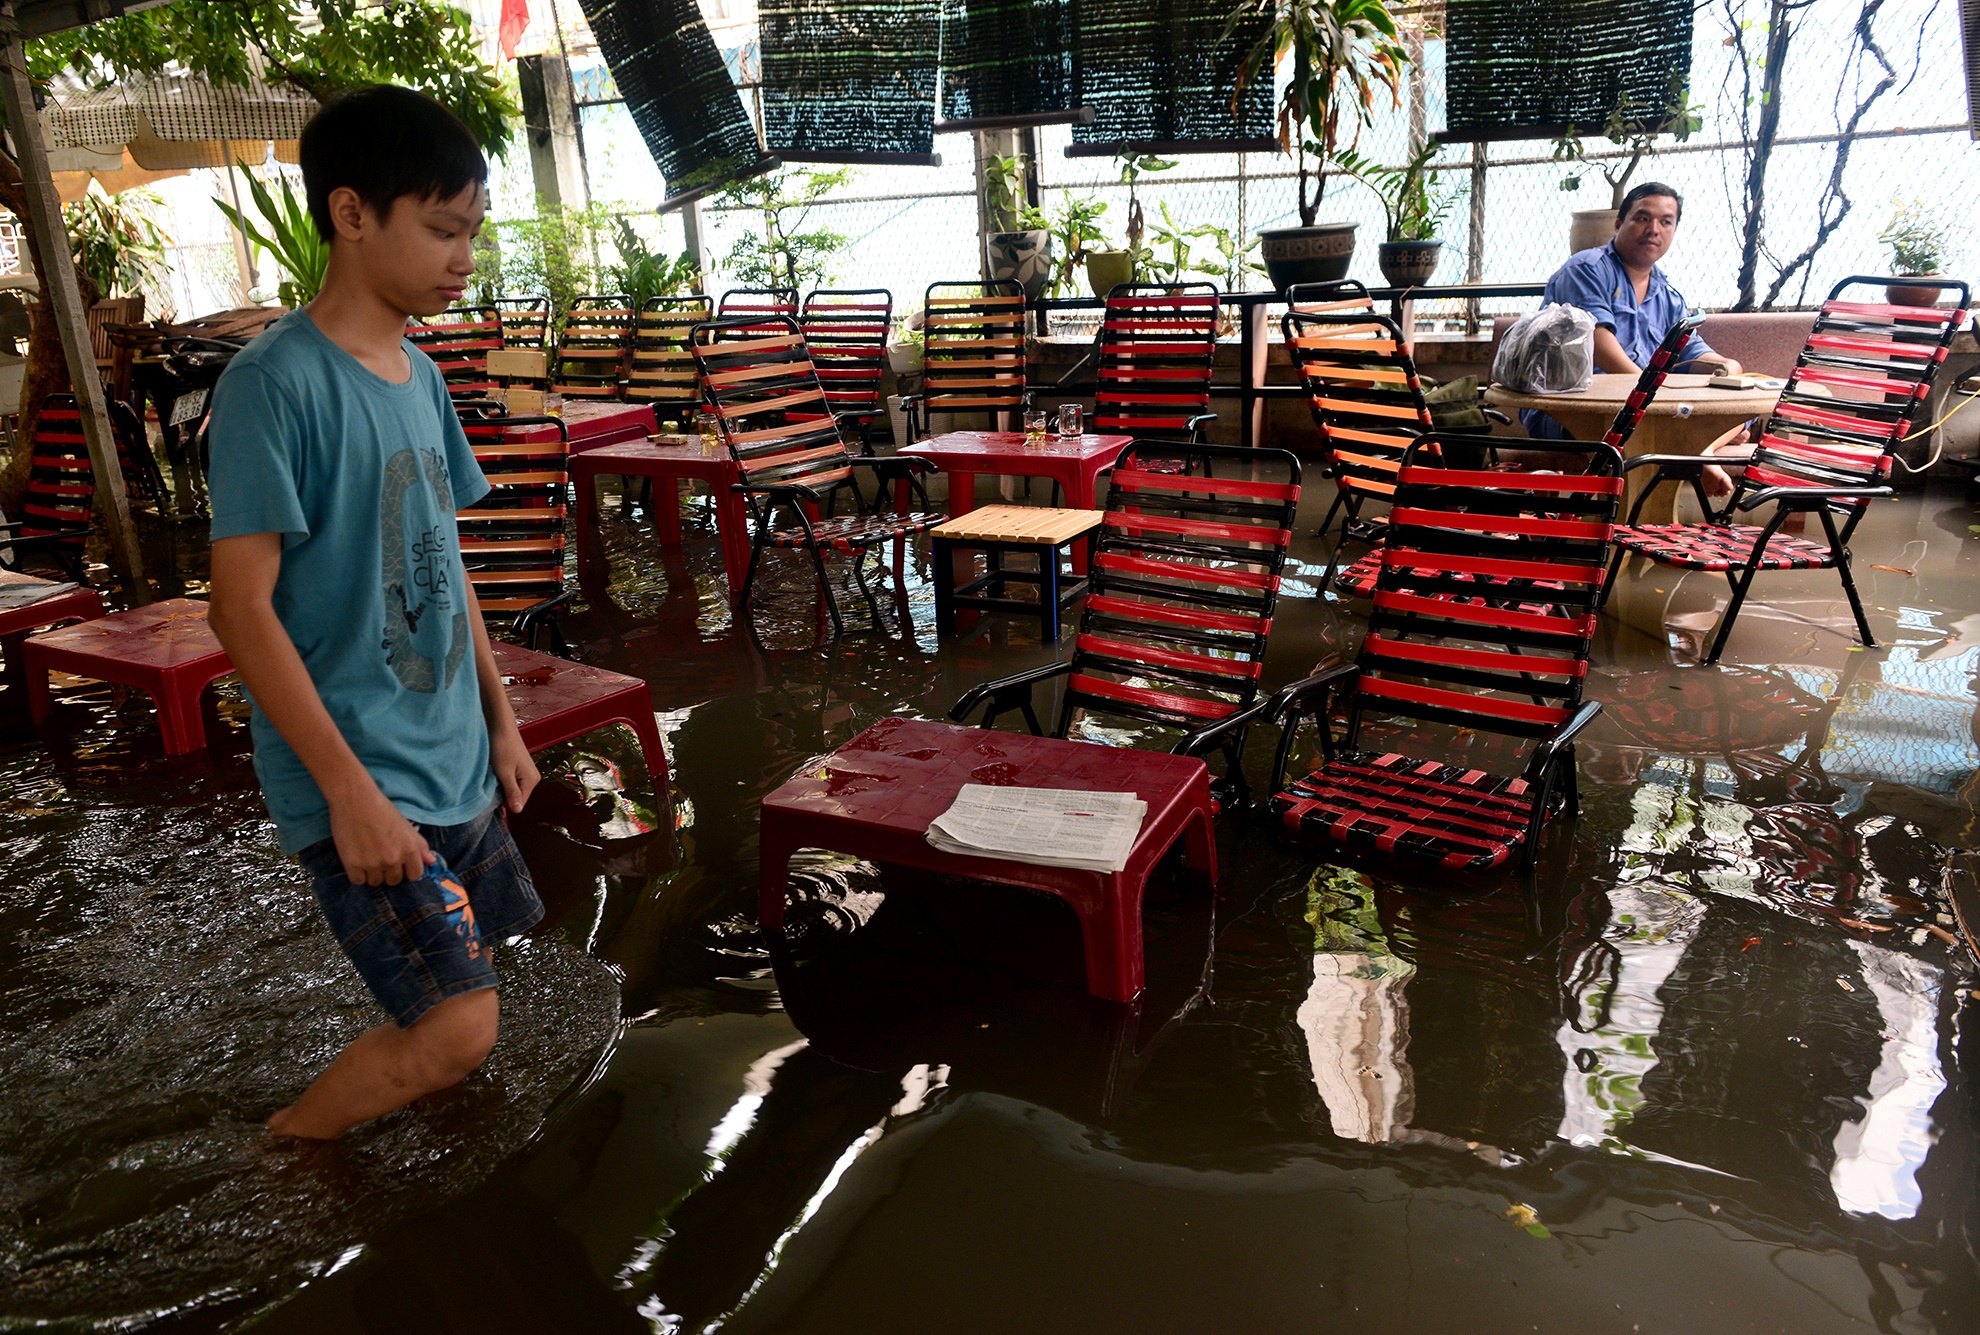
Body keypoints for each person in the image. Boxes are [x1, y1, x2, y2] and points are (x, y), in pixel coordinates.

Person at [206, 86, 542, 1139]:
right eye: (443, 229)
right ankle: (285, 1158)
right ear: (352, 217)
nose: (463, 257)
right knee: (457, 1030)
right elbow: (238, 609)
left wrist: (500, 721)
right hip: (361, 775)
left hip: (452, 755)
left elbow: (446, 563)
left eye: (472, 234)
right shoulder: (275, 384)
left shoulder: (420, 377)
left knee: (478, 986)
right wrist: (349, 797)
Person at [1521, 182, 1742, 440]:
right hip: (1572, 407)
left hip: (1639, 409)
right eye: (1642, 218)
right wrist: (1652, 399)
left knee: (1742, 416)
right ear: (1618, 224)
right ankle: (1699, 450)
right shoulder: (1587, 269)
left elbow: (1690, 352)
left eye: (1666, 222)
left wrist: (1726, 366)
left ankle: (1699, 450)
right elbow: (1596, 340)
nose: (1654, 230)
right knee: (1674, 429)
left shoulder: (1669, 297)